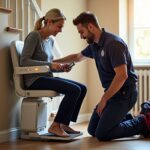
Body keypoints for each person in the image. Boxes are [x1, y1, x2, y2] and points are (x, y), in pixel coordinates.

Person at [53, 11, 150, 140]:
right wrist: (53, 62)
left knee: (102, 134)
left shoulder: (113, 44)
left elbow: (122, 76)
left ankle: (143, 122)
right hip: (112, 94)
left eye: (82, 32)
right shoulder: (95, 46)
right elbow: (76, 57)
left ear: (91, 27)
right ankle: (126, 119)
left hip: (125, 94)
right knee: (92, 129)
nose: (81, 36)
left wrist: (104, 99)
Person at [20, 8, 87, 137]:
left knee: (82, 88)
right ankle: (55, 126)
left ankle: (64, 124)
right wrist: (50, 65)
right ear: (49, 22)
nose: (60, 30)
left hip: (46, 77)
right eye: (59, 27)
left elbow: (47, 64)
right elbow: (24, 61)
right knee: (74, 90)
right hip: (34, 80)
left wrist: (60, 67)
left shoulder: (50, 41)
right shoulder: (34, 36)